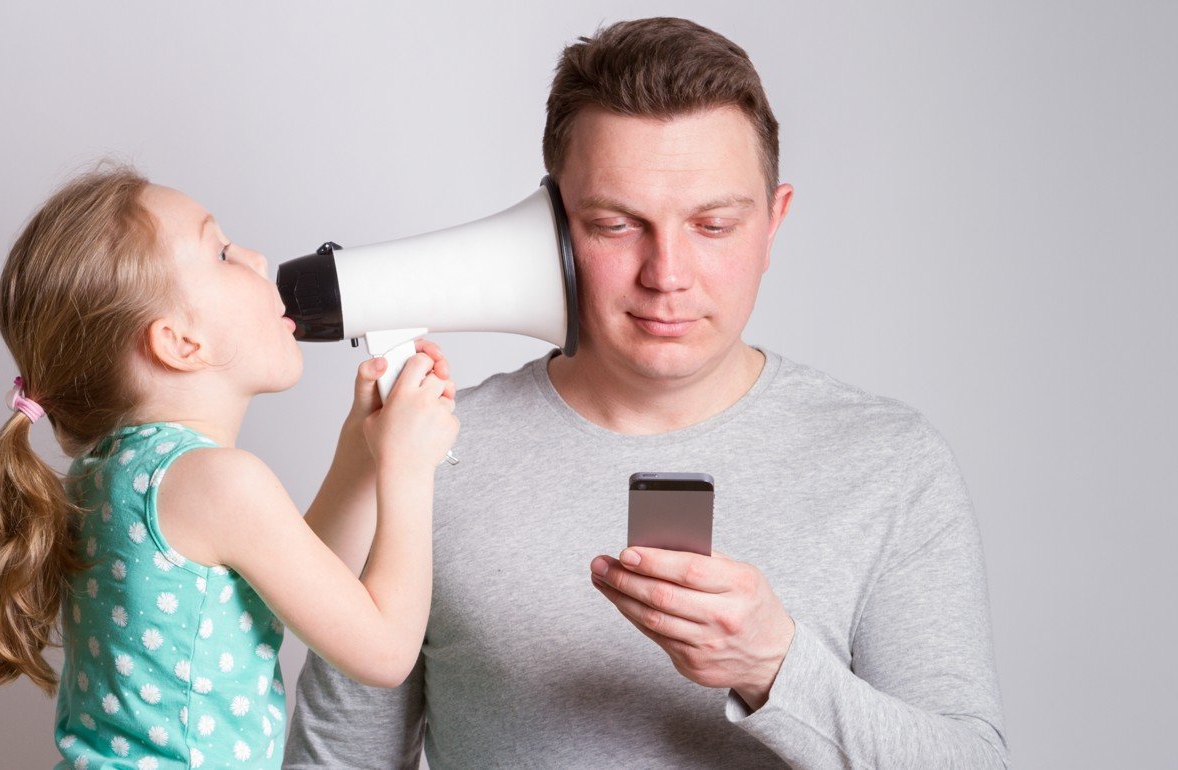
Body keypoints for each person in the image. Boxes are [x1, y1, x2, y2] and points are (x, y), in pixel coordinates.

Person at [284, 17, 1008, 769]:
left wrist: (774, 667)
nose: (667, 273)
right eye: (616, 224)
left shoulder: (890, 464)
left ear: (773, 223)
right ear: (555, 230)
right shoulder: (421, 453)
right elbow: (338, 759)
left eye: (714, 225)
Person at [0, 166, 459, 769]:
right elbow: (384, 652)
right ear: (180, 344)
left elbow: (287, 597)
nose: (255, 255)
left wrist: (362, 455)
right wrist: (409, 469)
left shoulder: (105, 475)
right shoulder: (219, 482)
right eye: (221, 251)